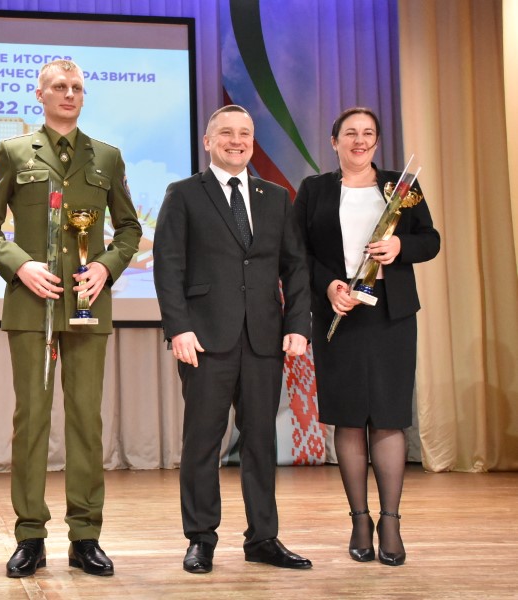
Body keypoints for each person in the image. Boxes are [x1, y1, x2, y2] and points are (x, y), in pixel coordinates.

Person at [0, 59, 142, 578]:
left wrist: (106, 267)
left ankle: (86, 535)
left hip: (88, 305)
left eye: (76, 88)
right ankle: (30, 535)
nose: (69, 94)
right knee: (31, 421)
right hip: (32, 305)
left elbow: (130, 229)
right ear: (40, 94)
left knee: (86, 420)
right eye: (59, 86)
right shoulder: (13, 152)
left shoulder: (106, 156)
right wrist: (20, 265)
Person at [153, 105, 313, 573]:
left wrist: (297, 326)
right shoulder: (183, 193)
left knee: (261, 442)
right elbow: (168, 265)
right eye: (226, 133)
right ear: (208, 142)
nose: (236, 140)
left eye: (244, 133)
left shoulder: (275, 197)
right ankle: (201, 538)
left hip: (264, 339)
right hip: (204, 339)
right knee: (202, 442)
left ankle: (263, 538)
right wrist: (178, 328)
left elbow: (295, 267)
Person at [293, 107, 439, 566]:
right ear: (334, 141)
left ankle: (390, 522)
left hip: (391, 316)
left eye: (368, 133)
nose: (360, 140)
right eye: (350, 133)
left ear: (376, 142)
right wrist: (328, 287)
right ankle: (359, 520)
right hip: (340, 314)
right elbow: (297, 253)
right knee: (350, 418)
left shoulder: (401, 186)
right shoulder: (314, 189)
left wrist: (400, 246)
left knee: (389, 417)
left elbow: (431, 240)